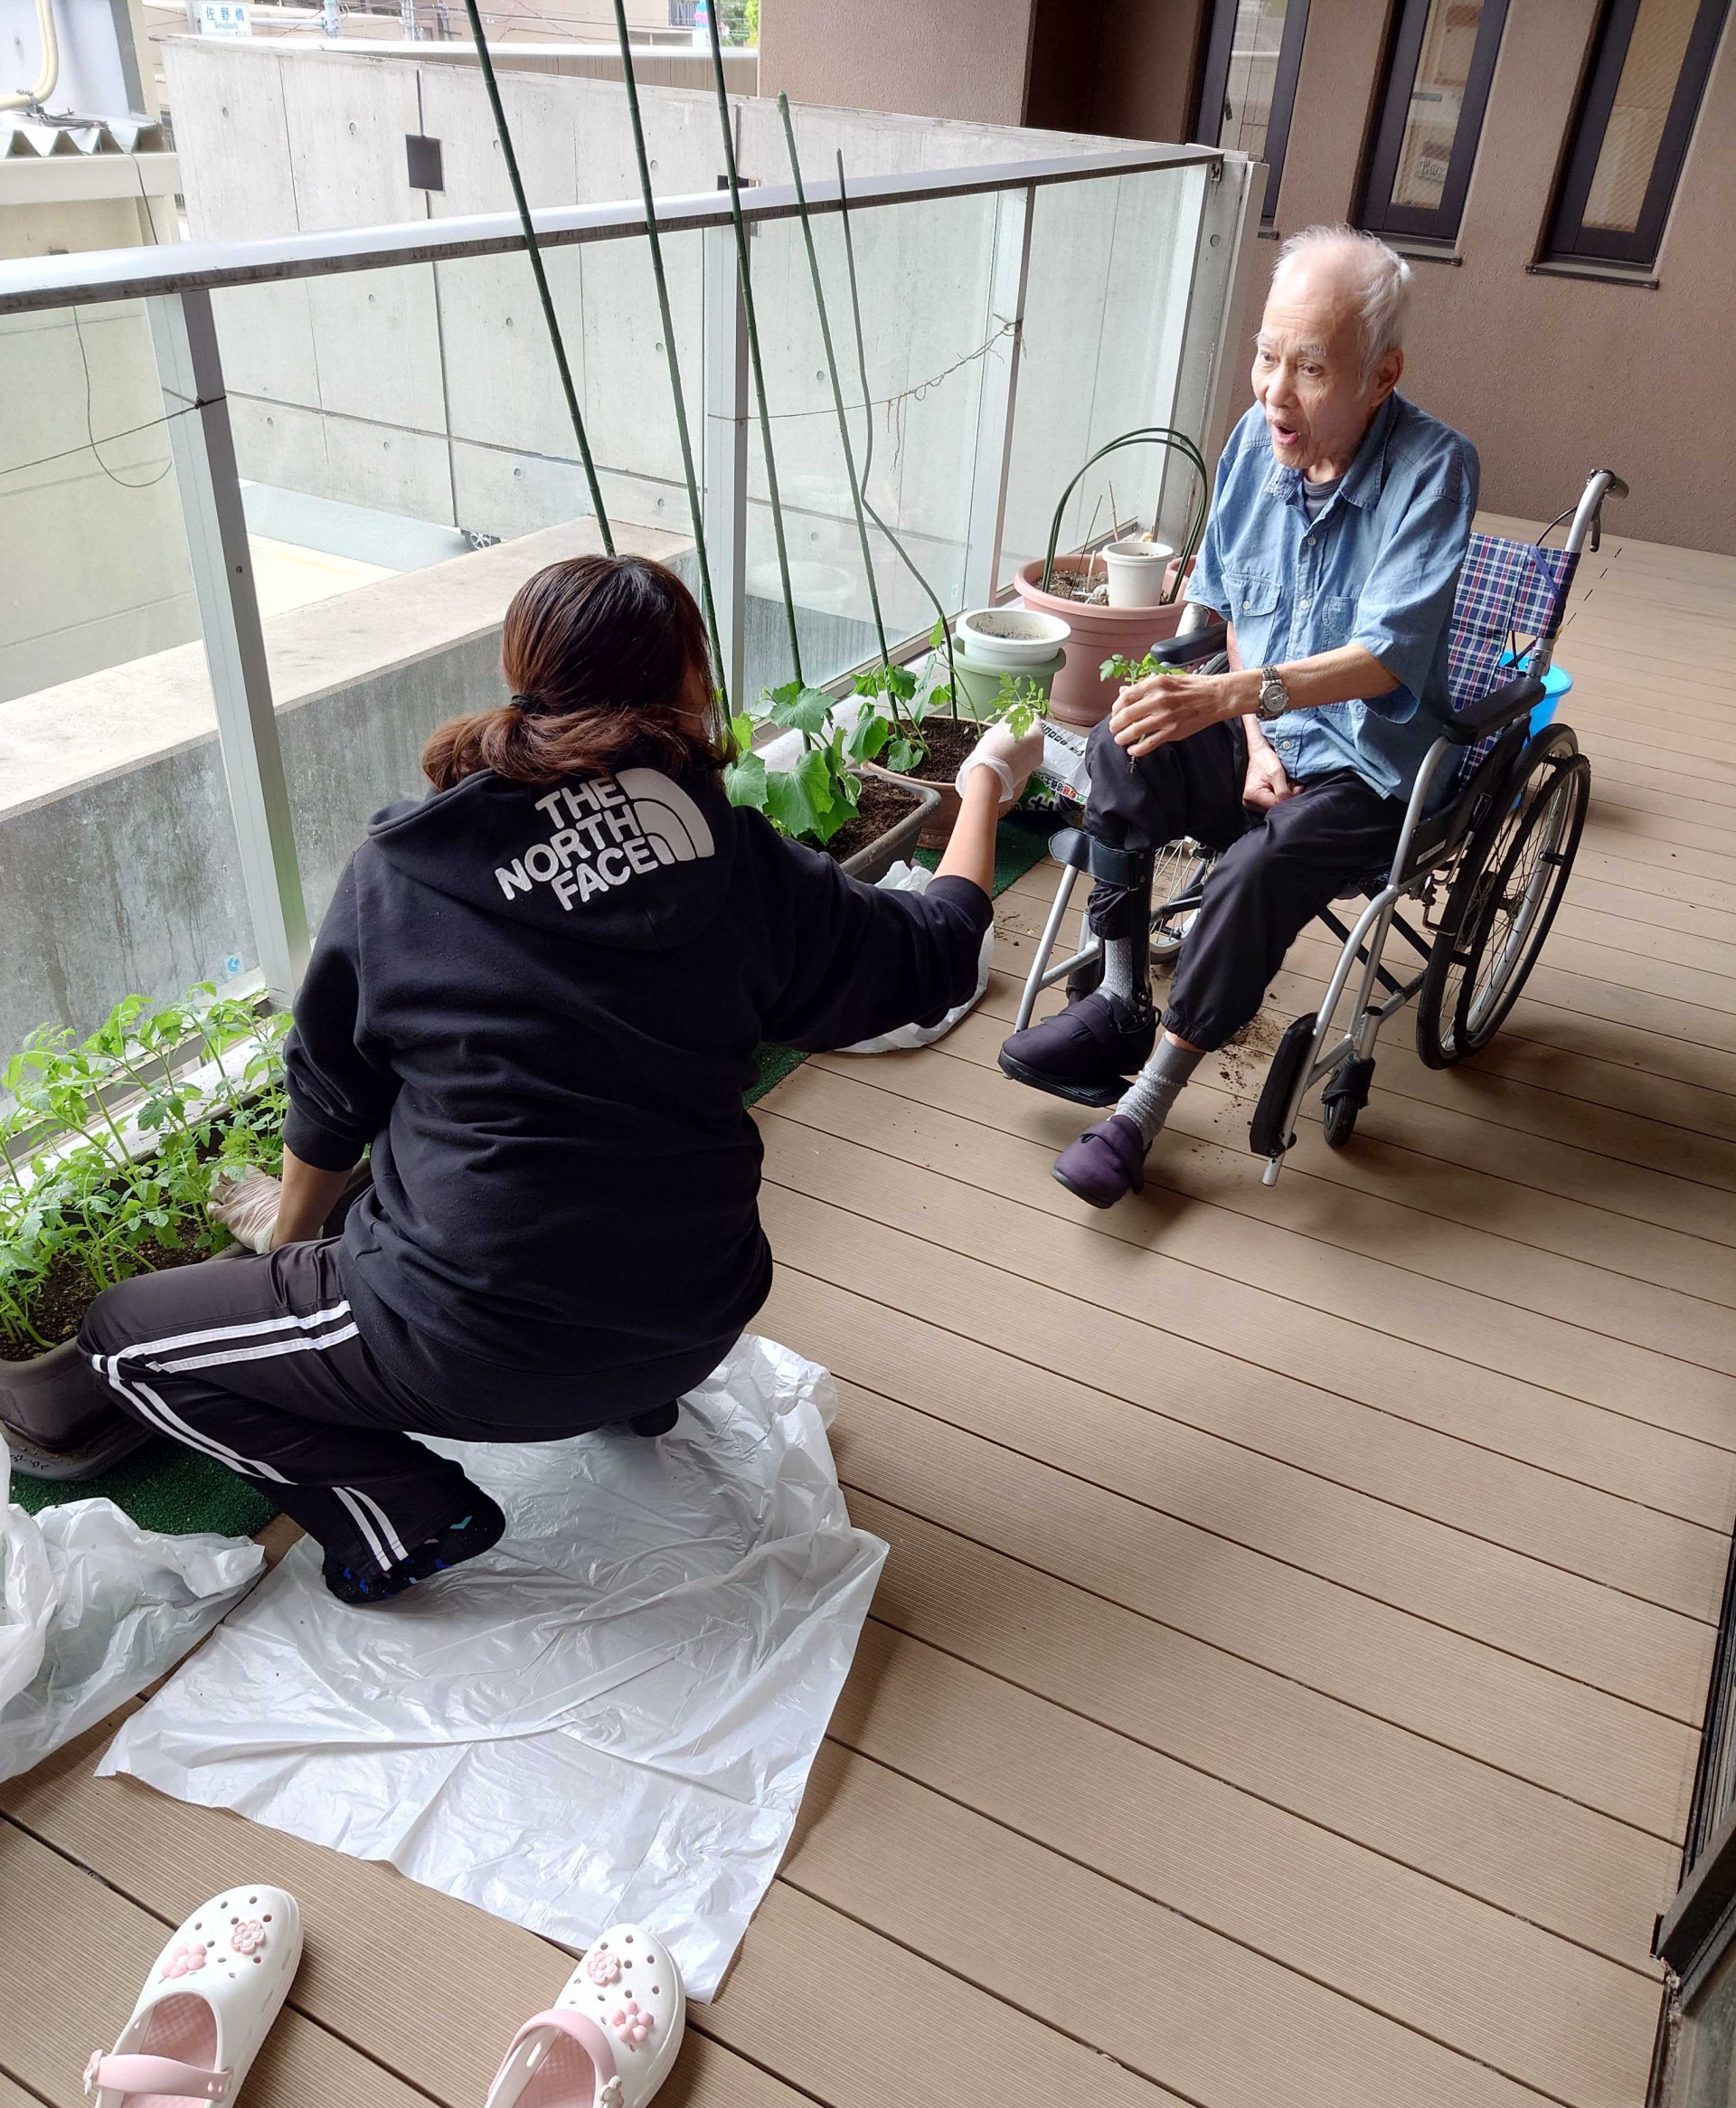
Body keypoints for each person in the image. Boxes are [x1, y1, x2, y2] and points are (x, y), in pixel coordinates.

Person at [80, 555, 1007, 1605]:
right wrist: (980, 786)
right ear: (692, 681)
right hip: (698, 1318)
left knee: (122, 1342)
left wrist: (287, 1249)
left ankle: (402, 1515)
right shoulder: (737, 857)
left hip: (473, 1352)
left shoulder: (407, 872)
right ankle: (628, 1400)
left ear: (519, 672)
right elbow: (937, 950)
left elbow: (332, 1098)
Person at [999, 224, 1478, 1208]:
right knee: (1126, 740)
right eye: (1267, 356)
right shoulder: (1257, 446)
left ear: (1382, 375)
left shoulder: (1437, 470)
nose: (1274, 393)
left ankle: (1143, 1107)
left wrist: (1227, 699)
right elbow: (1236, 612)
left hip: (1369, 770)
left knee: (1257, 869)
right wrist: (1251, 737)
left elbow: (1384, 658)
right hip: (1266, 735)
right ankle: (1120, 1001)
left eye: (1311, 367)